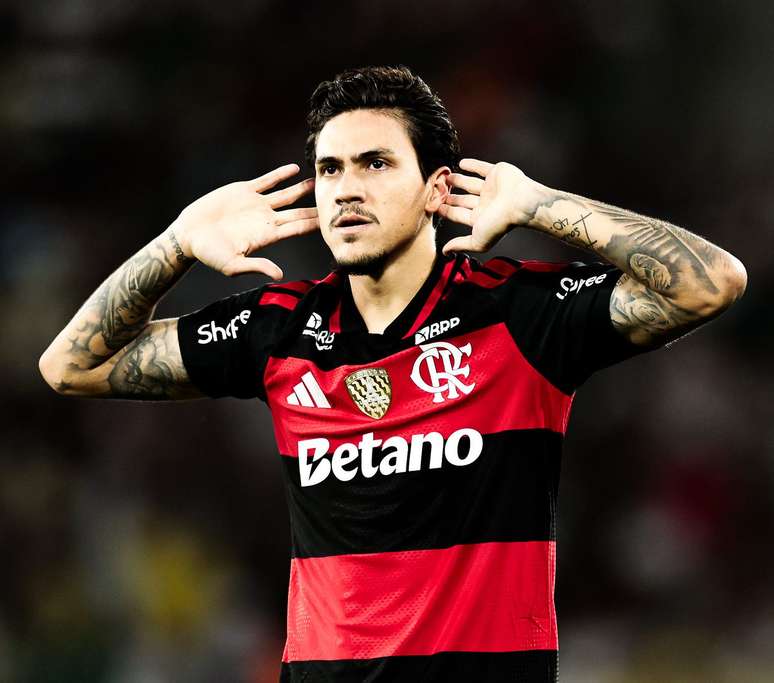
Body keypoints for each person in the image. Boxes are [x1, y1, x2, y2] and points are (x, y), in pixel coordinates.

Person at [39, 65, 747, 682]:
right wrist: (175, 244)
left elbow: (710, 283)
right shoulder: (278, 329)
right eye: (330, 169)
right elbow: (70, 366)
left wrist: (541, 206)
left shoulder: (517, 313)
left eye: (375, 163)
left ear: (438, 189)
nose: (347, 189)